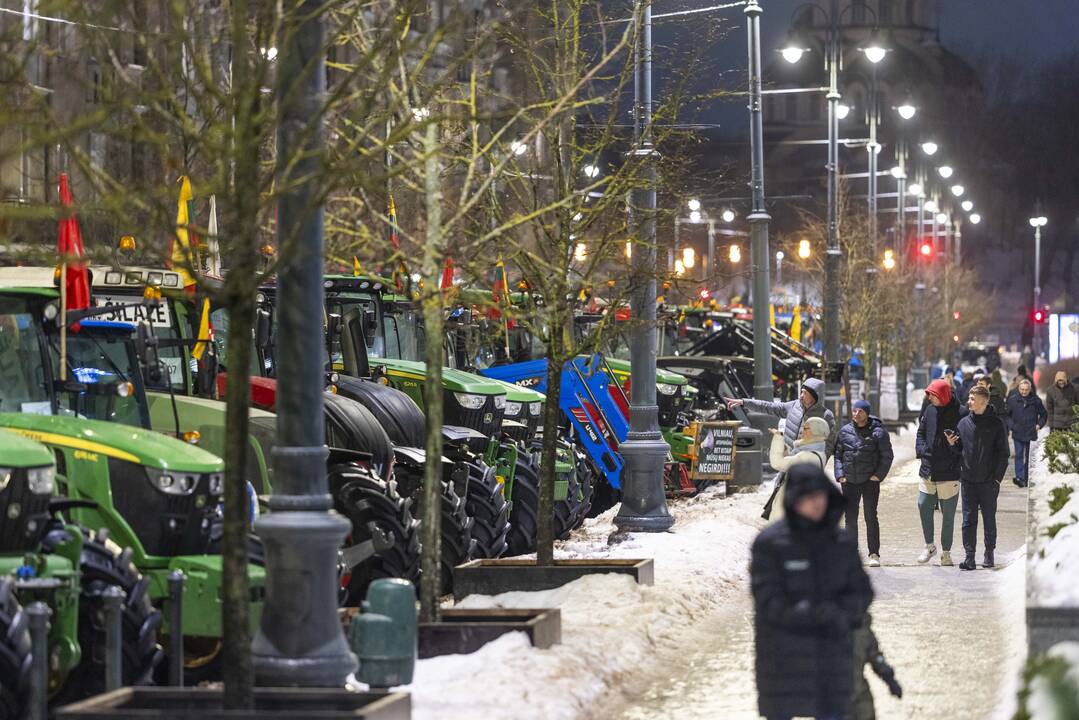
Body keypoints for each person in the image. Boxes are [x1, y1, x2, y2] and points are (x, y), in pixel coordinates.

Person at [751, 463, 874, 720]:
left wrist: (840, 612)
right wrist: (811, 614)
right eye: (808, 497)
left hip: (830, 659)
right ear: (794, 499)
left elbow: (862, 592)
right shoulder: (770, 544)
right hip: (784, 660)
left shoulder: (841, 542)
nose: (816, 503)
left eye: (820, 495)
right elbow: (767, 600)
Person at [950, 385, 1010, 570]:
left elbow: (1003, 454)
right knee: (968, 520)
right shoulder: (963, 424)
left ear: (984, 402)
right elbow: (959, 451)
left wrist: (997, 479)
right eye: (969, 398)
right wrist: (953, 444)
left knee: (989, 518)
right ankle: (969, 557)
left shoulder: (996, 424)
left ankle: (989, 553)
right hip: (968, 480)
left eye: (972, 399)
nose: (969, 402)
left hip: (988, 482)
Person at [834, 399, 894, 567]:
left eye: (860, 411)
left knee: (870, 517)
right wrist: (840, 475)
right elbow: (838, 454)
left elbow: (887, 456)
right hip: (849, 482)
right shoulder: (844, 431)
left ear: (867, 413)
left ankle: (874, 553)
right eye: (854, 411)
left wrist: (878, 475)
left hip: (869, 481)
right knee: (850, 518)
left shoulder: (878, 432)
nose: (856, 414)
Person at [914, 379, 965, 566]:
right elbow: (921, 432)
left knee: (948, 514)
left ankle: (946, 552)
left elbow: (964, 445)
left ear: (943, 395)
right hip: (928, 468)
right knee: (923, 505)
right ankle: (929, 546)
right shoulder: (929, 410)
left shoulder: (961, 413)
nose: (929, 398)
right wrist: (921, 450)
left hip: (950, 471)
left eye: (933, 395)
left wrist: (954, 445)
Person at [727, 377, 836, 455]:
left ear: (815, 396)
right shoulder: (793, 406)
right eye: (801, 392)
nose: (801, 396)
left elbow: (829, 444)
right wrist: (744, 402)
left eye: (805, 393)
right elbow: (768, 406)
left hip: (808, 465)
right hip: (788, 460)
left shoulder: (826, 415)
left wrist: (820, 463)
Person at [764, 416, 834, 521]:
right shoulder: (819, 453)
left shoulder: (805, 455)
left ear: (816, 432)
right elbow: (793, 462)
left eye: (806, 428)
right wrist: (784, 449)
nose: (802, 431)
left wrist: (778, 439)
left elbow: (777, 463)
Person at [1005, 378, 1047, 487]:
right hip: (1018, 432)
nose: (1024, 392)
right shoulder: (1013, 400)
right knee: (1018, 455)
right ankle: (1020, 477)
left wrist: (1039, 425)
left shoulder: (1036, 401)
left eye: (1026, 390)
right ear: (1018, 389)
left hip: (1030, 432)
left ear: (1030, 389)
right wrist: (1012, 426)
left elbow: (1043, 414)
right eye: (1022, 389)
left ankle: (1026, 477)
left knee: (1029, 456)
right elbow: (1007, 415)